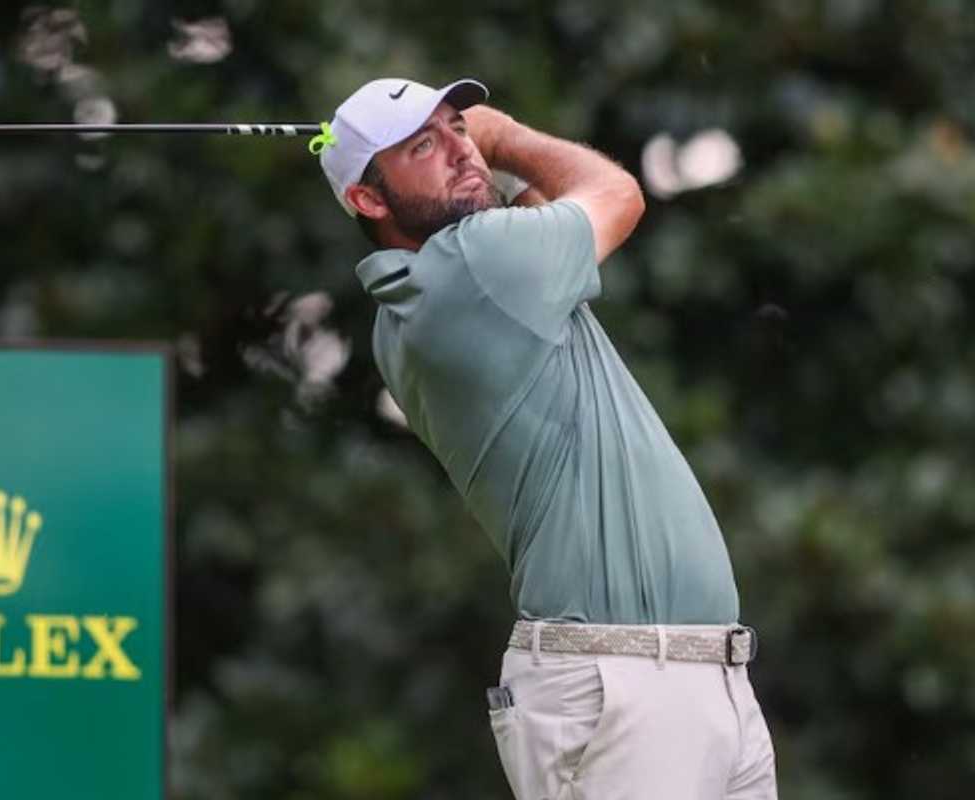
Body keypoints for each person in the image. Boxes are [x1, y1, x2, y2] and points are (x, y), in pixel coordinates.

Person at [315, 77, 777, 799]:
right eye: (424, 147)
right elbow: (616, 194)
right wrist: (503, 138)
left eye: (457, 130)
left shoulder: (443, 290)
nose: (461, 151)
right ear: (368, 200)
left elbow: (533, 215)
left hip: (685, 678)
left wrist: (477, 160)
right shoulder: (473, 267)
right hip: (619, 682)